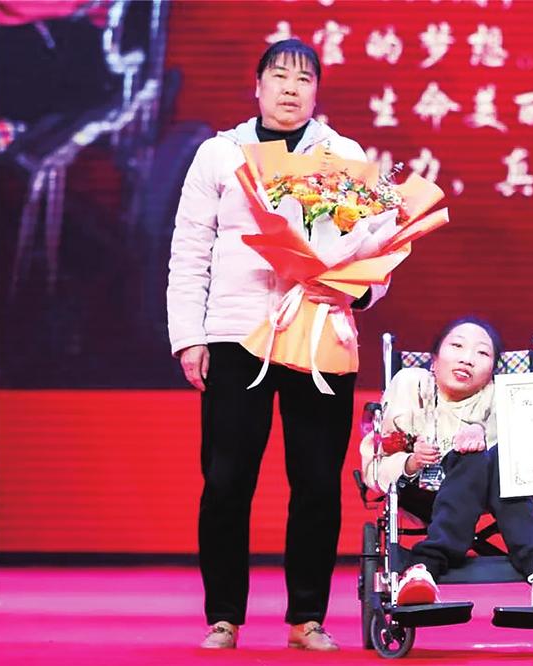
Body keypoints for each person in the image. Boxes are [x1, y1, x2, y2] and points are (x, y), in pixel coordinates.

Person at [167, 39, 384, 651]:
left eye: (304, 78)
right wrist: (190, 337)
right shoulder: (219, 154)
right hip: (236, 333)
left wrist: (357, 294)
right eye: (280, 76)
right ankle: (223, 617)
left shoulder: (344, 155)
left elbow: (376, 245)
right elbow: (190, 248)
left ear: (317, 91)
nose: (291, 88)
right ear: (257, 86)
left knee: (316, 480)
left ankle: (306, 618)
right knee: (226, 479)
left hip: (318, 330)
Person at [360, 316, 533, 608]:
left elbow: (529, 453)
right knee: (471, 458)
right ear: (434, 360)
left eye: (482, 352)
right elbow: (378, 463)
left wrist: (482, 433)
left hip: (499, 493)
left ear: (492, 371)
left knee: (493, 457)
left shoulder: (502, 396)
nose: (467, 359)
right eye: (457, 346)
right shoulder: (410, 383)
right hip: (422, 495)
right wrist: (411, 461)